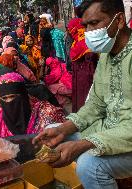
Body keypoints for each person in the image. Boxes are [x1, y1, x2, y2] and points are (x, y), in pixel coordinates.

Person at [34, 1, 132, 188]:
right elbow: (96, 104)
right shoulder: (106, 54)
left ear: (119, 20)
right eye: (85, 25)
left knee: (89, 165)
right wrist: (64, 129)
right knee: (56, 130)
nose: (88, 32)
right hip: (109, 130)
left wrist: (84, 144)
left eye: (94, 23)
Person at [0, 70, 66, 138]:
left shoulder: (47, 112)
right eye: (4, 98)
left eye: (13, 96)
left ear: (24, 95)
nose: (9, 102)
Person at [67, 18, 99, 113]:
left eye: (71, 29)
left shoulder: (82, 42)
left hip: (85, 75)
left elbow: (92, 59)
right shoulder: (78, 41)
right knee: (82, 96)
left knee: (84, 97)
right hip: (82, 74)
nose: (70, 32)